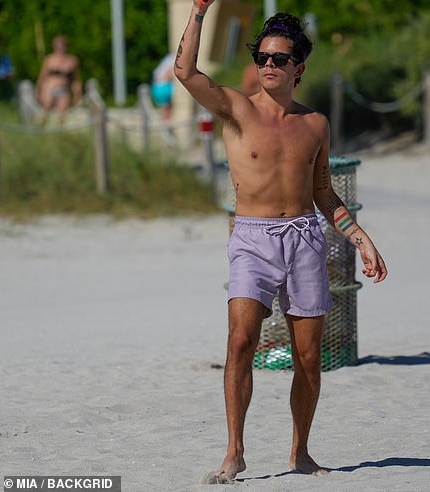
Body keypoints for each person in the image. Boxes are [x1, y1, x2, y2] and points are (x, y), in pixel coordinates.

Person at [175, 1, 388, 483]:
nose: (268, 65)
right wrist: (199, 11)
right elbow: (185, 71)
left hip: (305, 239)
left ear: (299, 68)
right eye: (263, 57)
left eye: (278, 59)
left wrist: (361, 240)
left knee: (308, 357)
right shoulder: (236, 108)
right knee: (240, 343)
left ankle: (301, 452)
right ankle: (234, 451)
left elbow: (323, 192)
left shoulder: (314, 124)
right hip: (251, 239)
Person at [35, 35, 82, 123]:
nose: (60, 47)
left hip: (64, 90)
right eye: (58, 45)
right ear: (54, 46)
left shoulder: (72, 61)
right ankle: (40, 131)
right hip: (49, 89)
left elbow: (76, 80)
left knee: (63, 116)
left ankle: (59, 135)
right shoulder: (49, 59)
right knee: (45, 113)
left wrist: (78, 95)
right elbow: (42, 77)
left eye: (62, 45)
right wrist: (38, 91)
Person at [151, 53, 175, 121]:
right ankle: (166, 127)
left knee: (164, 110)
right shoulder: (173, 59)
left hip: (156, 87)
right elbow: (168, 75)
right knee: (167, 111)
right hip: (164, 87)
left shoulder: (167, 59)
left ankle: (165, 126)